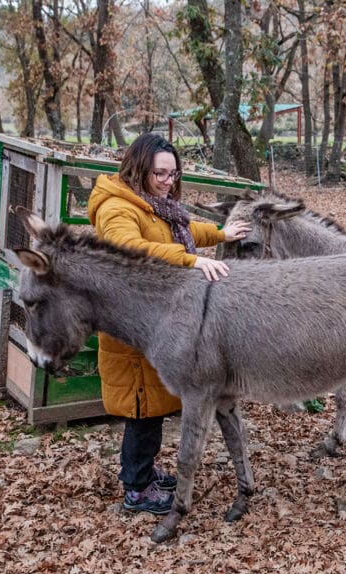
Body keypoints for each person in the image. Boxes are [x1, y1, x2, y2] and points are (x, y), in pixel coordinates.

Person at [86, 133, 250, 515]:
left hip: (154, 322)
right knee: (140, 411)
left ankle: (145, 472)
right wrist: (191, 261)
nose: (168, 182)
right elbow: (131, 247)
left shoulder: (154, 206)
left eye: (174, 174)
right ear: (139, 169)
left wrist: (222, 234)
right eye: (160, 173)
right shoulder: (116, 207)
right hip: (131, 327)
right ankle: (136, 488)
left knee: (153, 409)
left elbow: (184, 230)